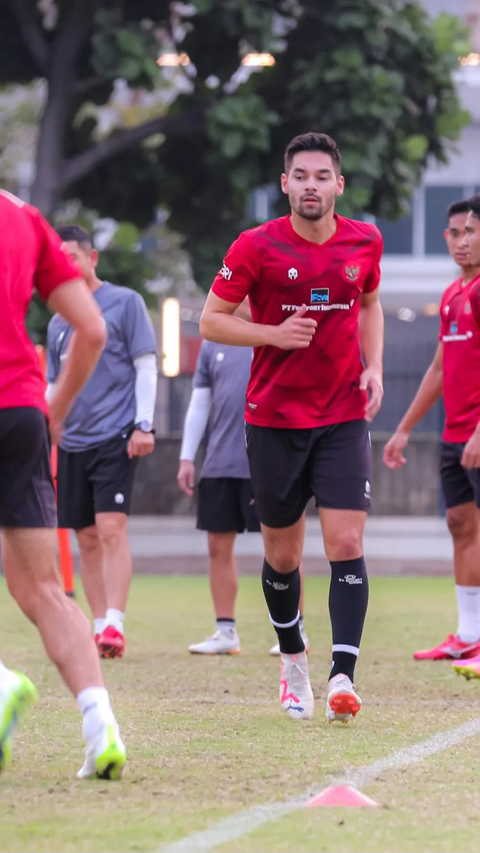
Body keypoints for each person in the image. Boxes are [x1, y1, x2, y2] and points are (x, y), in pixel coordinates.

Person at [199, 132, 384, 723]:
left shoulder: (365, 241)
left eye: (322, 175)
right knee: (283, 556)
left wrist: (374, 366)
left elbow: (371, 302)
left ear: (338, 184)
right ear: (285, 184)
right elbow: (210, 321)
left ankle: (342, 677)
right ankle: (294, 664)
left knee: (347, 544)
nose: (311, 185)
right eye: (300, 175)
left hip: (342, 417)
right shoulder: (256, 246)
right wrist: (273, 335)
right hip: (273, 420)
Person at [0, 190, 125, 779]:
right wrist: (55, 410)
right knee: (43, 590)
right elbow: (92, 330)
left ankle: (2, 687)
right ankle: (101, 726)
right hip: (22, 413)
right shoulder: (23, 217)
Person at [46, 225, 158, 660]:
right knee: (86, 536)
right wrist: (43, 425)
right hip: (72, 441)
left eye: (73, 256)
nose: (67, 266)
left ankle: (116, 621)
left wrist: (143, 424)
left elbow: (145, 364)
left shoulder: (125, 303)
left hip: (116, 435)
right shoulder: (59, 320)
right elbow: (54, 383)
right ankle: (97, 629)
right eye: (60, 259)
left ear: (91, 258)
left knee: (111, 529)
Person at [384, 198, 480, 663]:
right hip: (454, 434)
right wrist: (403, 429)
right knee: (459, 524)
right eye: (454, 233)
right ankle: (467, 634)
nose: (462, 241)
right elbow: (439, 371)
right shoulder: (449, 295)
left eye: (471, 231)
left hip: (478, 432)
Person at [177, 339, 309, 655]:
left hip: (269, 461)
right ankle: (225, 632)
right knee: (217, 545)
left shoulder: (278, 332)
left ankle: (295, 629)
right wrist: (186, 456)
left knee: (284, 548)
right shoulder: (212, 343)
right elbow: (200, 402)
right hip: (220, 463)